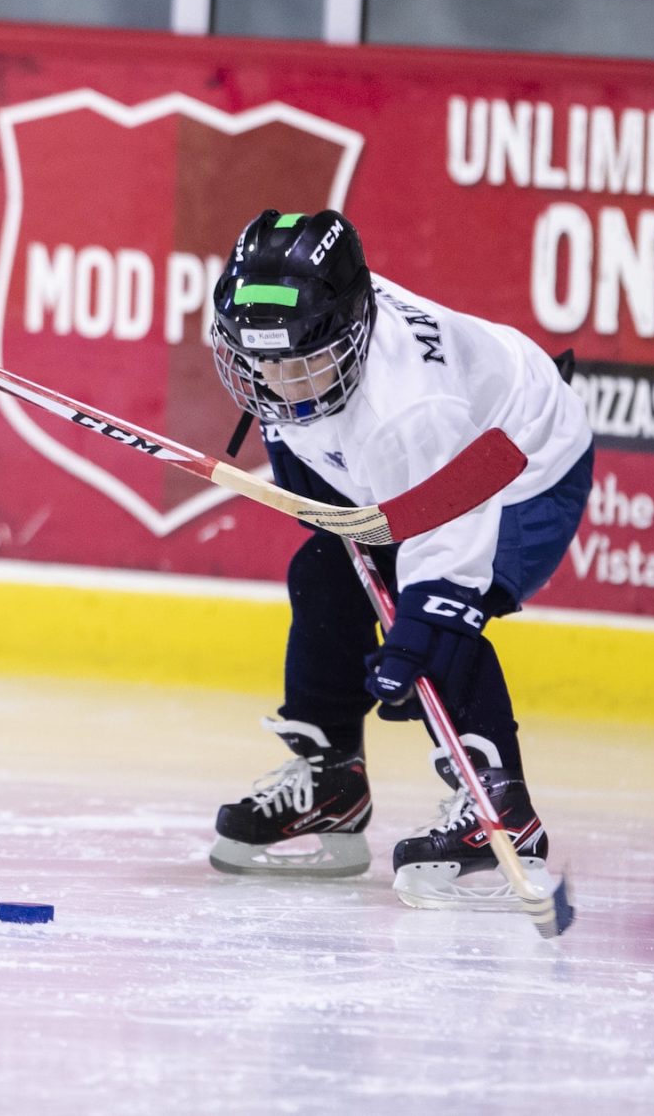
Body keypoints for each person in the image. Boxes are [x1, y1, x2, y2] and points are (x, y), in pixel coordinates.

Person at [203, 209, 592, 909]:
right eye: (263, 362)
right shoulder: (308, 332)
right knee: (325, 575)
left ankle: (501, 809)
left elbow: (452, 544)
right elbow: (311, 430)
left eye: (298, 364)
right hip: (430, 463)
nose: (280, 382)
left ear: (348, 334)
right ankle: (332, 782)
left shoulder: (411, 406)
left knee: (438, 630)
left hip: (522, 467)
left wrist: (422, 626)